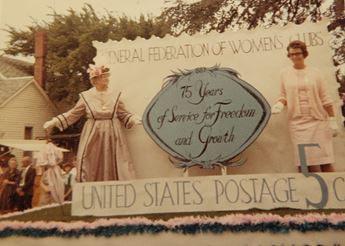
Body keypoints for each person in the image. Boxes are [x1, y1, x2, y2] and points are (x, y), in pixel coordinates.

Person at [43, 64, 141, 182]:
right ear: (95, 80)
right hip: (93, 132)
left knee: (116, 159)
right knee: (91, 159)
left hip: (113, 132)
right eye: (103, 77)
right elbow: (74, 113)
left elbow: (123, 114)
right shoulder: (86, 96)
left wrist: (133, 119)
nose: (107, 79)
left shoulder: (115, 95)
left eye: (106, 76)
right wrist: (54, 121)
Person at [271, 40, 338, 173]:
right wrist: (279, 104)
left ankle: (333, 191)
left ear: (304, 54)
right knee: (303, 162)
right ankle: (307, 191)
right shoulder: (284, 74)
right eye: (291, 55)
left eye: (297, 54)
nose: (294, 57)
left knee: (324, 160)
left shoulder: (316, 73)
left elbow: (325, 98)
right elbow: (283, 95)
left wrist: (332, 120)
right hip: (298, 124)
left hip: (318, 121)